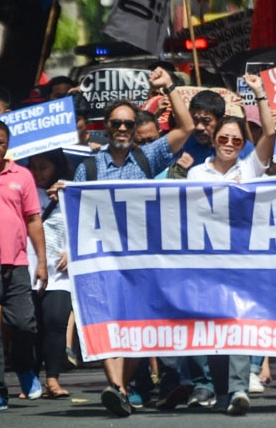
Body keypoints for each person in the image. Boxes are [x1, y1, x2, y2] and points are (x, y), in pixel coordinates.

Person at [70, 66, 194, 417]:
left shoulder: (147, 156)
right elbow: (78, 213)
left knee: (136, 324)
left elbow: (185, 128)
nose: (122, 129)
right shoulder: (89, 169)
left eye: (128, 124)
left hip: (142, 256)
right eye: (116, 124)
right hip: (104, 257)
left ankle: (122, 387)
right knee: (110, 321)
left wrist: (168, 87)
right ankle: (117, 387)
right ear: (105, 127)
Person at [186, 74, 275, 416]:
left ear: (242, 146)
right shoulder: (196, 174)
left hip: (242, 260)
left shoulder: (251, 168)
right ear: (214, 140)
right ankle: (221, 391)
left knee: (237, 321)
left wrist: (259, 94)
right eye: (223, 138)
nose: (228, 143)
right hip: (206, 260)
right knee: (214, 325)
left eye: (236, 141)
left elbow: (269, 134)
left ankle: (239, 390)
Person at [0, 122, 47, 411]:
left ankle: (25, 369)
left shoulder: (22, 175)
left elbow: (33, 219)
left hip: (17, 263)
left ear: (8, 143)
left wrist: (42, 262)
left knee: (23, 323)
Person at [26, 150, 73, 400]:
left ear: (56, 167)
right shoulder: (22, 189)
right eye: (33, 167)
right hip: (28, 267)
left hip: (59, 270)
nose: (38, 173)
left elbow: (85, 224)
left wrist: (73, 251)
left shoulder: (70, 191)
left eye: (43, 167)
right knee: (29, 326)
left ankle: (53, 379)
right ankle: (30, 378)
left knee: (56, 322)